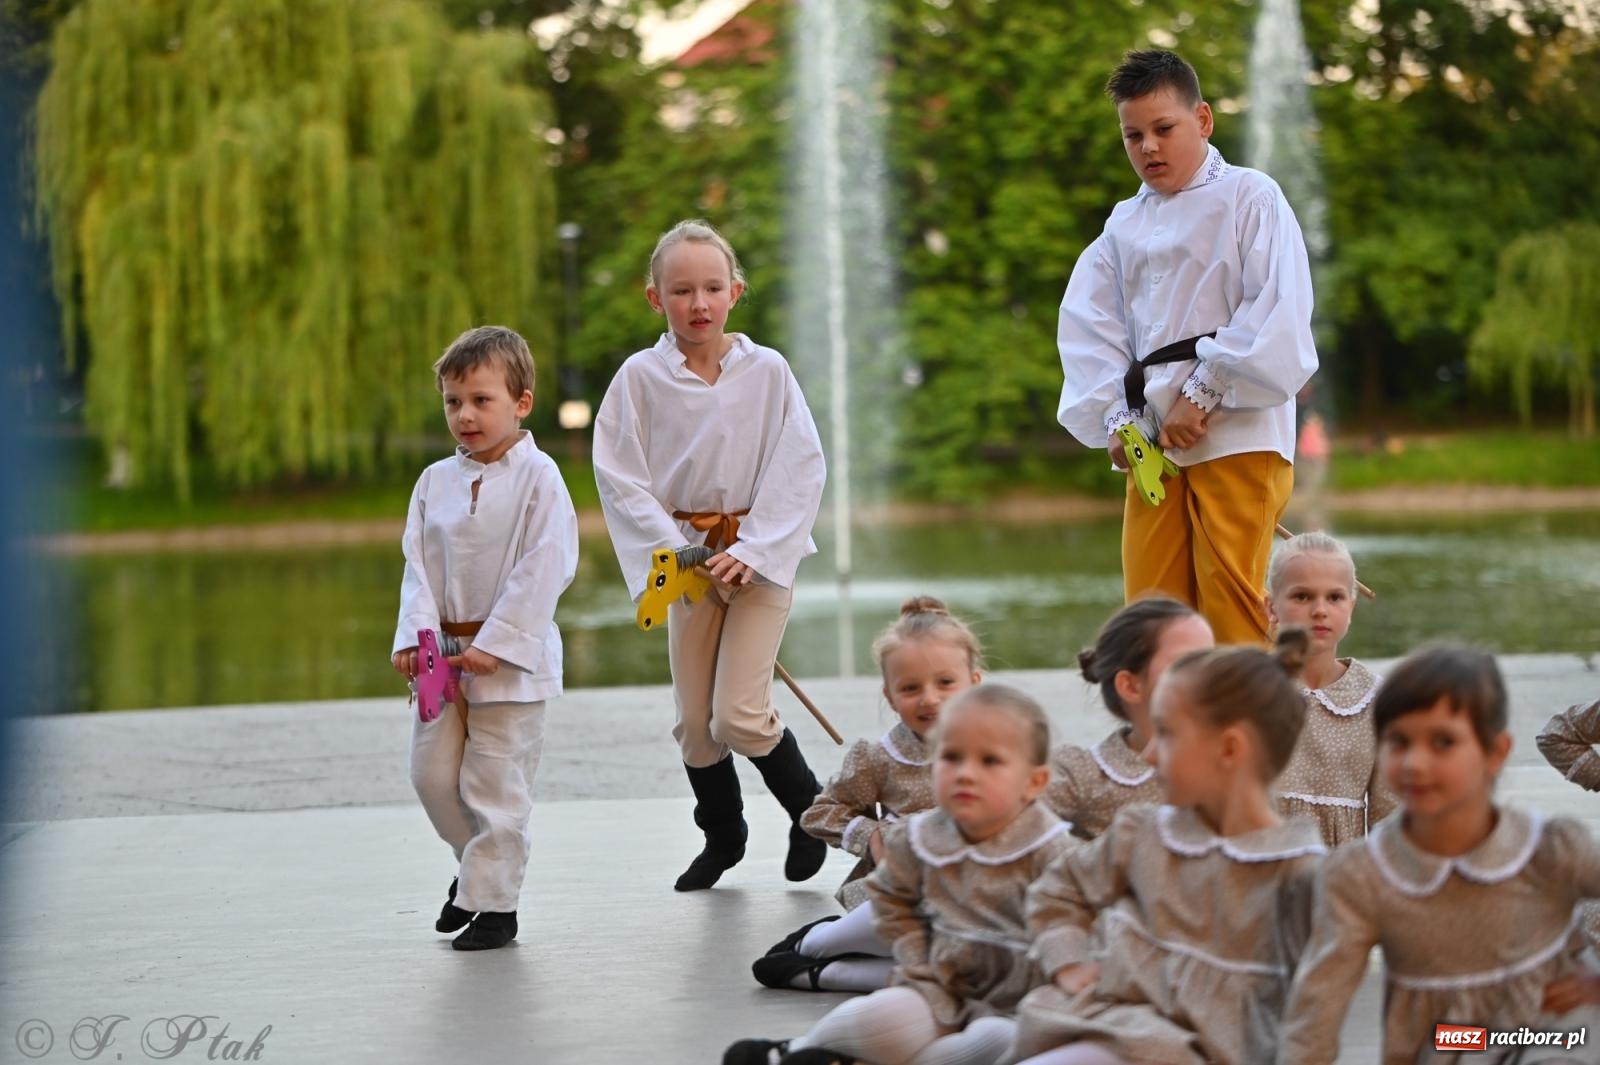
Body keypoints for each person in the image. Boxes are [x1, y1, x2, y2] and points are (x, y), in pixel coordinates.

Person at [592, 219, 829, 891]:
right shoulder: (639, 379)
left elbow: (801, 464)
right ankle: (723, 835)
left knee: (740, 715)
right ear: (654, 298)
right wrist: (679, 550)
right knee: (697, 726)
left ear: (736, 292)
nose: (698, 303)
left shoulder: (768, 371)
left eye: (712, 288)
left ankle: (811, 815)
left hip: (759, 560)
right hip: (687, 568)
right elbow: (619, 474)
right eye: (682, 290)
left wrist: (754, 548)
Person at [1055, 49, 1318, 646]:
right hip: (1155, 444)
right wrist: (1119, 420)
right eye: (1133, 135)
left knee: (1232, 607)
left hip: (1238, 431)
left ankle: (1244, 736)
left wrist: (1203, 393)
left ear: (1202, 120)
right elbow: (1091, 326)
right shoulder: (1122, 224)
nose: (1148, 147)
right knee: (1151, 616)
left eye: (1163, 129)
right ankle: (1165, 738)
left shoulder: (1250, 196)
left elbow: (1276, 305)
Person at [1009, 631, 1326, 1065]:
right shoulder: (1143, 834)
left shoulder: (1300, 874)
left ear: (1229, 749)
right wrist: (1068, 960)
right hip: (1119, 1031)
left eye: (1166, 733)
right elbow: (1059, 891)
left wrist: (1452, 1040)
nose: (1150, 754)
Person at [1278, 647, 1600, 1064]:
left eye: (1443, 742)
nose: (1416, 763)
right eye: (1399, 741)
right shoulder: (1361, 875)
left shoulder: (1553, 847)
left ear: (1495, 754)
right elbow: (1316, 1012)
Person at [727, 685, 1077, 1065]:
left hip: (1014, 998)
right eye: (951, 758)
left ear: (1035, 782)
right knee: (891, 1013)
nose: (966, 774)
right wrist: (920, 965)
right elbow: (892, 902)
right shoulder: (922, 835)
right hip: (940, 983)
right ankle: (799, 1052)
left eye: (990, 761)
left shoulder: (1052, 848)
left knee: (997, 1041)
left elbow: (1071, 926)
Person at [390, 325, 579, 951]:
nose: (464, 415)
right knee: (433, 777)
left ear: (521, 402)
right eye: (452, 402)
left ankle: (496, 908)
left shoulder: (540, 479)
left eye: (480, 400)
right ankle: (473, 871)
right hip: (440, 657)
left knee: (496, 786)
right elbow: (417, 565)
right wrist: (416, 638)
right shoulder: (433, 481)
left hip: (510, 662)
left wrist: (494, 644)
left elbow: (545, 566)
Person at [755, 596, 984, 994]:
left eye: (946, 683)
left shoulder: (1001, 747)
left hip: (975, 890)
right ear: (890, 696)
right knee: (921, 932)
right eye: (911, 688)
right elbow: (819, 813)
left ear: (974, 684)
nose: (930, 698)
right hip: (899, 890)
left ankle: (822, 974)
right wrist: (872, 836)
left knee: (977, 968)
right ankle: (817, 943)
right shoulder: (878, 757)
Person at [1045, 596, 1214, 838]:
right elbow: (1011, 827)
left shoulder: (1232, 757)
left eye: (1211, 661)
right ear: (1130, 686)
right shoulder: (1087, 773)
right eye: (1186, 663)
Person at [1266, 531, 1394, 846]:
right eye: (1302, 597)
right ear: (1271, 607)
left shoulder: (1375, 701)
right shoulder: (1249, 692)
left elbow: (1390, 819)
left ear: (1351, 606)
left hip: (1337, 880)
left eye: (1334, 597)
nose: (1320, 610)